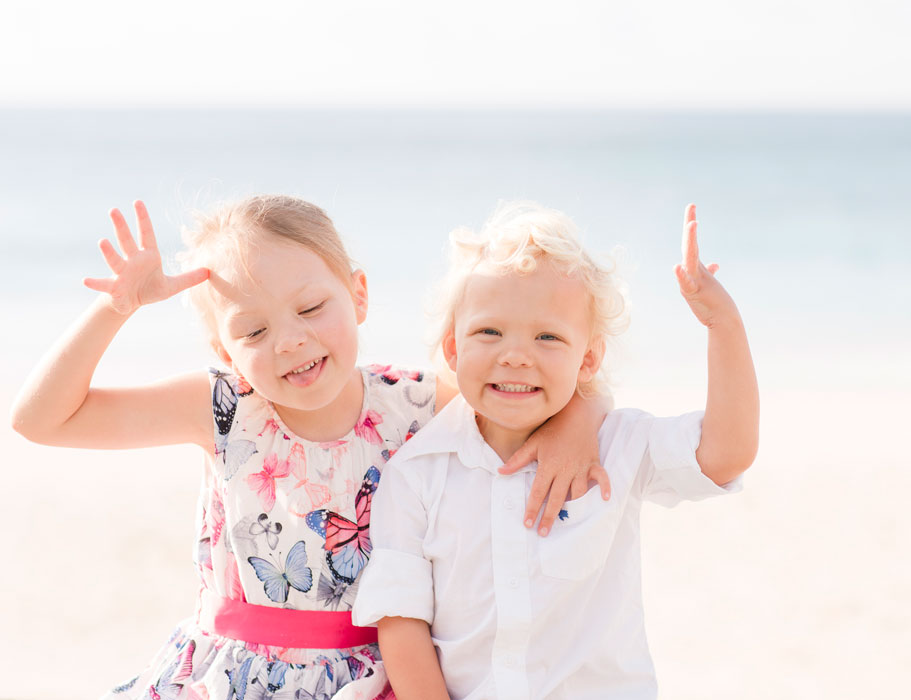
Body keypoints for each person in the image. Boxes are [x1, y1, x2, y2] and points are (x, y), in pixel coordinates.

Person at [9, 196, 609, 700]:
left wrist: (576, 421)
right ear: (224, 349)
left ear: (360, 295)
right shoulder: (223, 407)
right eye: (253, 330)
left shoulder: (418, 403)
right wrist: (116, 309)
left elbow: (537, 390)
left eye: (312, 308)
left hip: (378, 677)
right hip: (236, 677)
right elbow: (41, 420)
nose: (291, 341)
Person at [352, 201, 760, 699]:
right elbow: (401, 620)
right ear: (453, 350)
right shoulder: (417, 472)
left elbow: (727, 453)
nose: (516, 355)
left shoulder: (619, 445)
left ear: (587, 358)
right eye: (489, 331)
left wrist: (723, 324)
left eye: (548, 336)